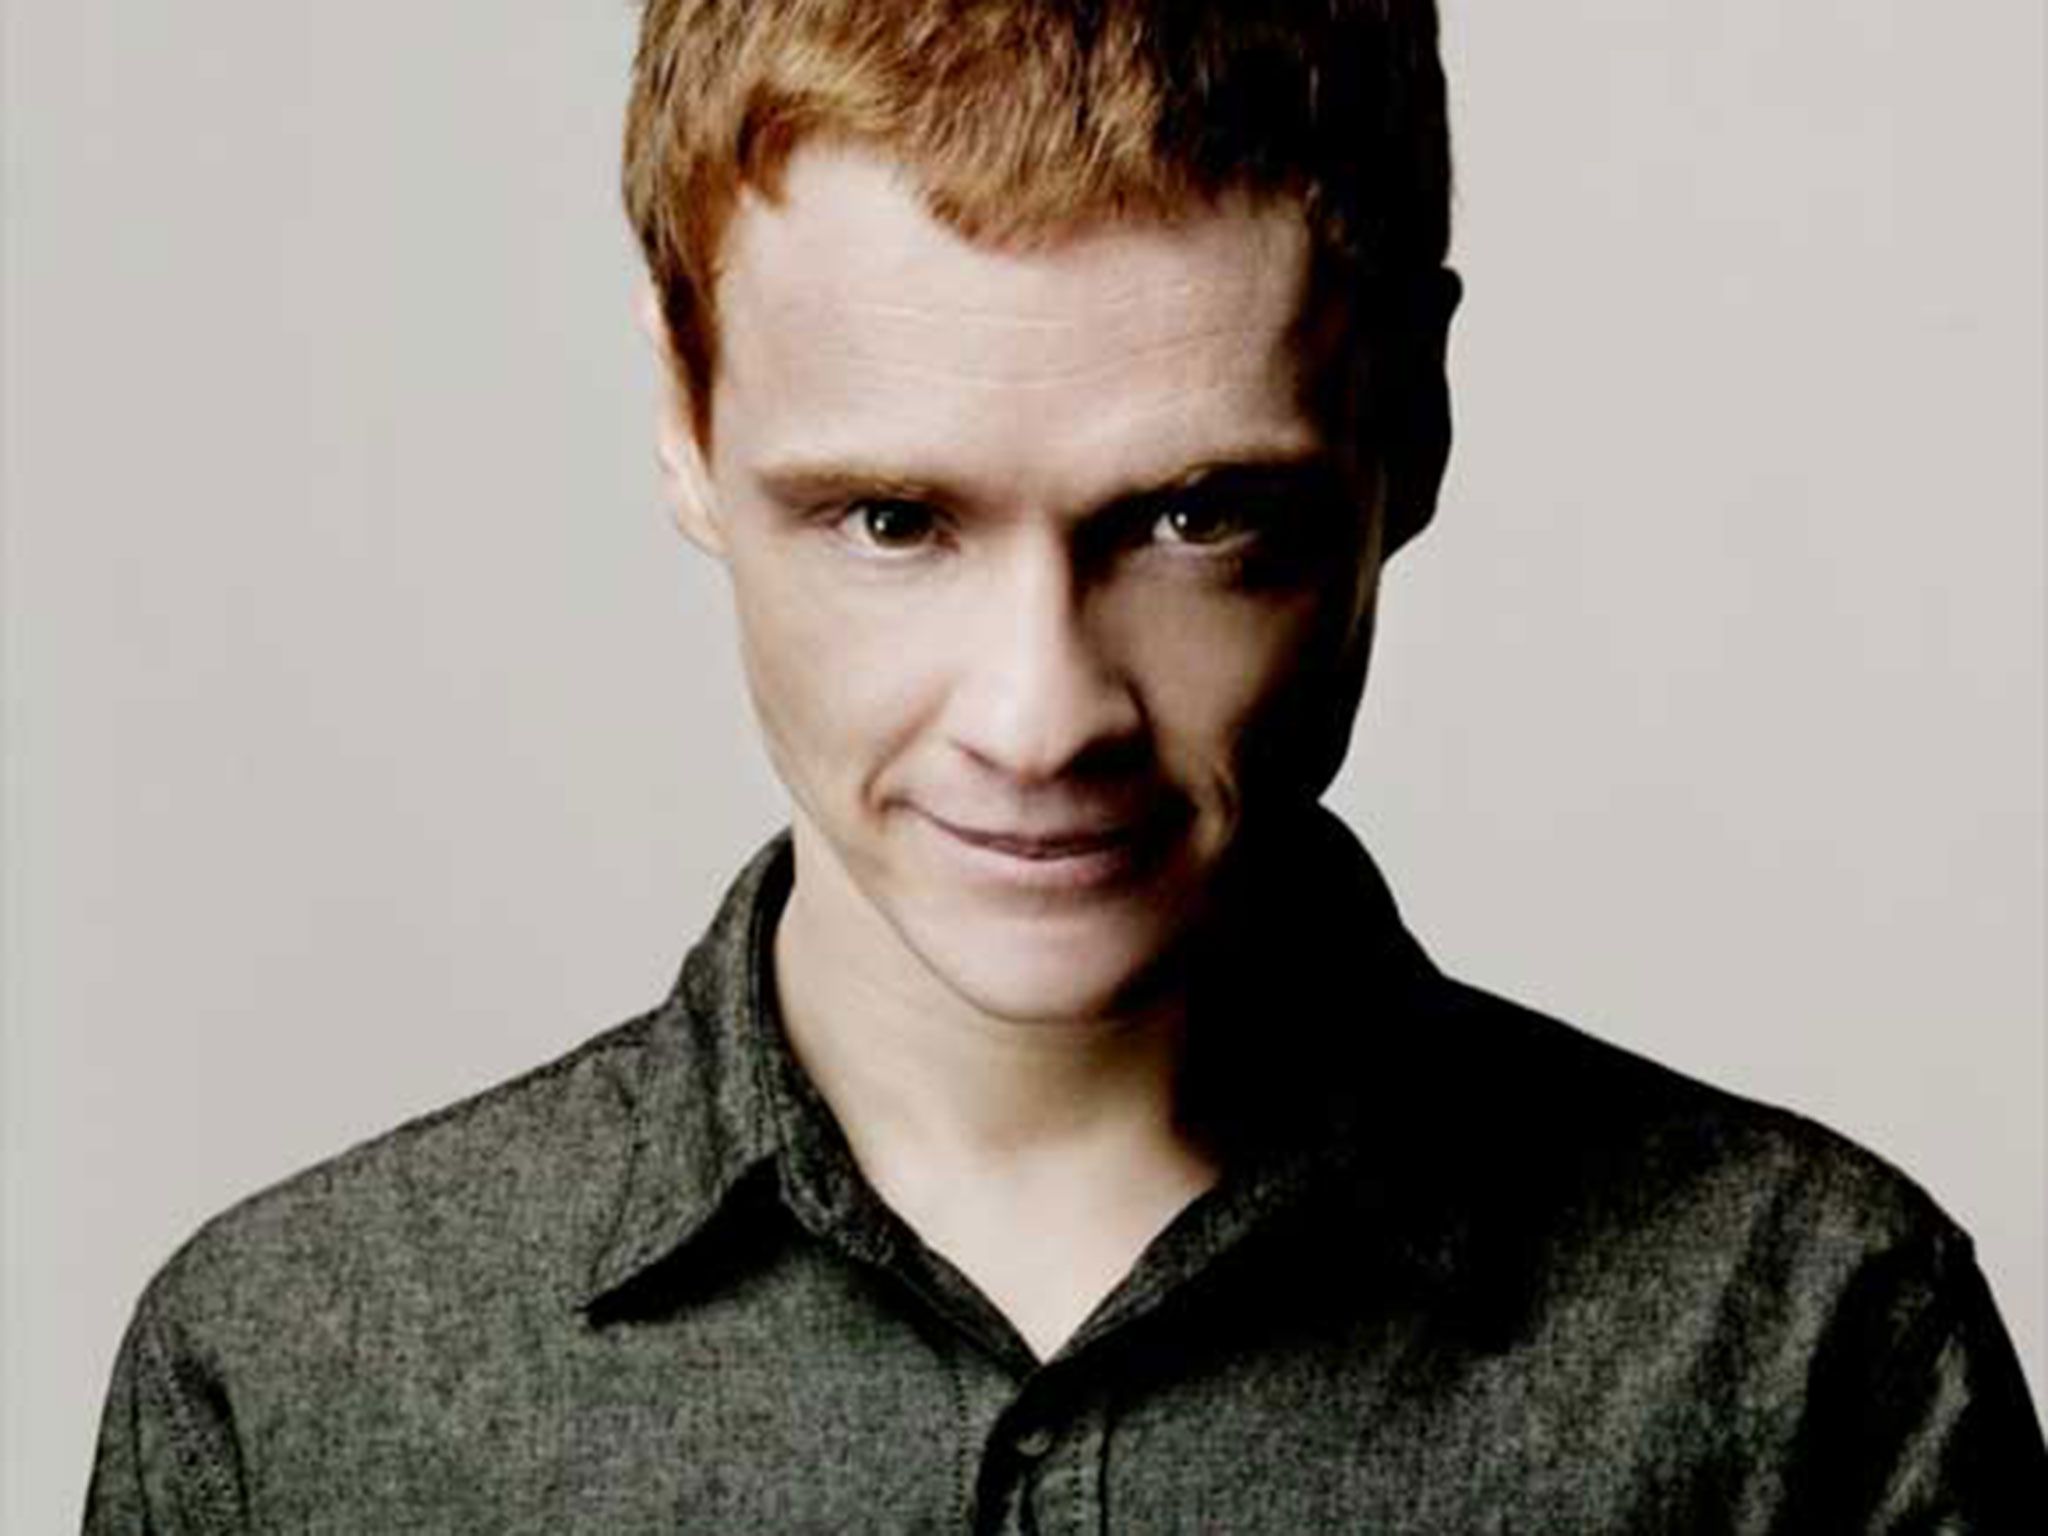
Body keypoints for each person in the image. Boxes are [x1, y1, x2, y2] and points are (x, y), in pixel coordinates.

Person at [84, 1, 2044, 1528]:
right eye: (891, 522)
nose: (1040, 718)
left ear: (1411, 420)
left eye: (1194, 517)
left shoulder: (1806, 1347)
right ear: (684, 414)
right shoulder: (291, 1380)